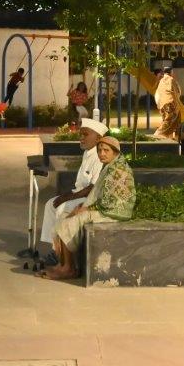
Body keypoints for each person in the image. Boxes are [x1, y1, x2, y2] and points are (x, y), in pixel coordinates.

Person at [42, 134, 135, 280]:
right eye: (99, 150)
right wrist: (82, 205)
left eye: (106, 150)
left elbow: (111, 201)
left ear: (115, 152)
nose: (102, 154)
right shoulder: (111, 166)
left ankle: (69, 269)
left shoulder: (118, 170)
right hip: (104, 209)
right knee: (65, 217)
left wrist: (87, 209)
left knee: (69, 223)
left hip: (114, 212)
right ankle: (63, 264)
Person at [39, 119, 105, 254]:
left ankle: (62, 253)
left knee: (61, 209)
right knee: (50, 205)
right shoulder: (87, 153)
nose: (81, 138)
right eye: (80, 134)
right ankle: (54, 249)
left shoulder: (99, 156)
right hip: (79, 194)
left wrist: (67, 197)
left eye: (85, 134)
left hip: (90, 198)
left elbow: (92, 188)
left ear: (98, 138)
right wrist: (67, 196)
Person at [153, 67, 182, 140]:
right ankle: (157, 134)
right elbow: (176, 92)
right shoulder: (171, 80)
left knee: (169, 120)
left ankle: (169, 137)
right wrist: (177, 103)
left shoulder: (161, 81)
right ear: (171, 72)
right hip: (170, 103)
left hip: (162, 105)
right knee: (169, 121)